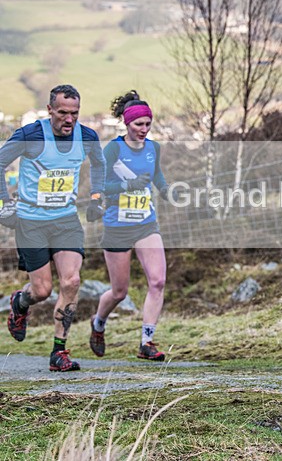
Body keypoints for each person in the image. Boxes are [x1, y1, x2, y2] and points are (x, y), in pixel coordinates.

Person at [2, 84, 105, 372]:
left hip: (65, 220)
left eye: (74, 113)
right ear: (50, 110)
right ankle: (20, 303)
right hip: (31, 222)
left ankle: (59, 352)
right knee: (42, 290)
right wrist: (4, 204)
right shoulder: (31, 135)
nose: (69, 119)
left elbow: (99, 164)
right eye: (62, 113)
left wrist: (97, 197)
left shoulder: (87, 137)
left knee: (71, 281)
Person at [89, 91, 170, 362]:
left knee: (158, 281)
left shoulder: (153, 148)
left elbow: (156, 175)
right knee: (119, 292)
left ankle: (146, 342)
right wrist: (126, 185)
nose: (144, 129)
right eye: (139, 124)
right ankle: (98, 323)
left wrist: (168, 191)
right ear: (127, 123)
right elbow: (100, 186)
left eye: (148, 124)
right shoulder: (113, 149)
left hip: (146, 223)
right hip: (117, 226)